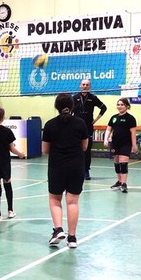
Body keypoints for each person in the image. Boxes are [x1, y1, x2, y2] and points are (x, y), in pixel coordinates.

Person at [42, 93, 89, 248]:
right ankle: (72, 238)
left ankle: (58, 230)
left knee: (55, 199)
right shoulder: (81, 123)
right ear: (72, 106)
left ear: (56, 106)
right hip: (77, 166)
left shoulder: (50, 125)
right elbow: (84, 147)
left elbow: (45, 150)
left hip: (57, 166)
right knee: (73, 201)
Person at [73, 79, 106, 180]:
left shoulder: (93, 98)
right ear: (80, 85)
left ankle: (86, 171)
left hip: (88, 128)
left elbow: (104, 108)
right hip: (76, 128)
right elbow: (69, 110)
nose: (85, 86)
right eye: (83, 84)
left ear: (90, 86)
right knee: (76, 150)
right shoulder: (74, 98)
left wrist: (95, 120)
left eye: (87, 85)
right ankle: (76, 170)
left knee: (87, 150)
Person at [103, 98, 137, 193]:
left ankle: (124, 183)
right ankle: (119, 181)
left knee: (123, 163)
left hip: (126, 144)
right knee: (117, 162)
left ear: (127, 106)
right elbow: (109, 129)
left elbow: (133, 133)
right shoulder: (114, 118)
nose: (120, 106)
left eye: (122, 105)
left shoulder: (130, 118)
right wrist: (106, 139)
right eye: (118, 104)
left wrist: (134, 145)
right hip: (115, 143)